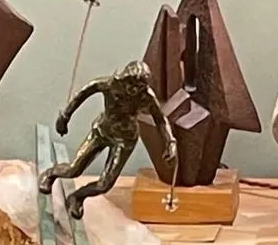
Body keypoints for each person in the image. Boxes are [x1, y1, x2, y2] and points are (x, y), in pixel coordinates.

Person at [40, 62, 178, 219]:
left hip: (125, 141)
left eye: (138, 87)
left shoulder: (146, 96)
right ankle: (50, 174)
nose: (133, 90)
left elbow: (160, 119)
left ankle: (77, 197)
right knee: (74, 169)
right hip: (102, 132)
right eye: (131, 84)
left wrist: (170, 142)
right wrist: (65, 116)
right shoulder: (109, 84)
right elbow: (83, 93)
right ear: (124, 79)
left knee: (104, 185)